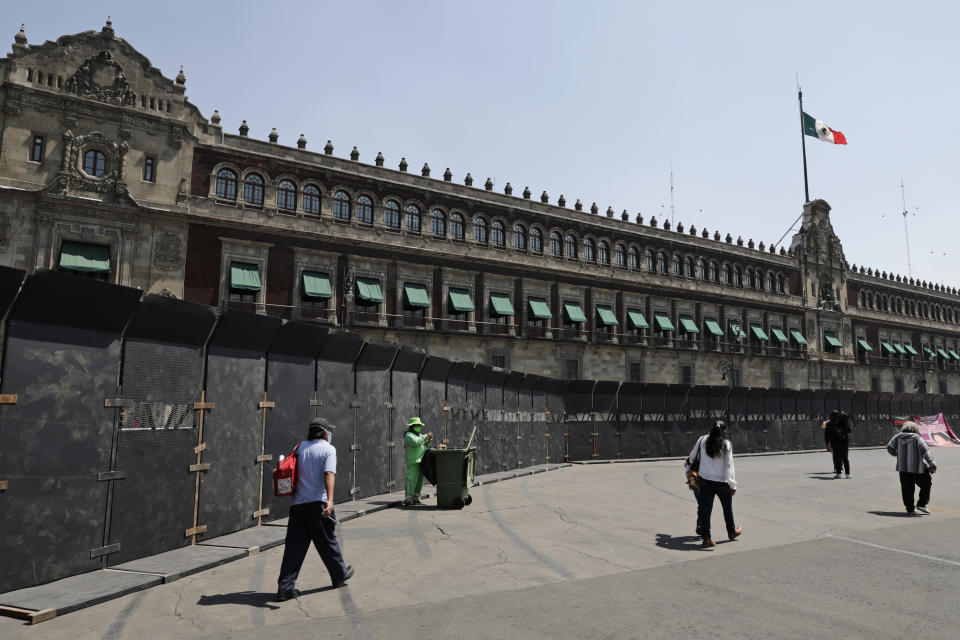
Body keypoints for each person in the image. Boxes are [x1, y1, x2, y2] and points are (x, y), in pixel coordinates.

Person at [276, 417, 354, 601]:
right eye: (330, 431)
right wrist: (331, 501)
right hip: (318, 504)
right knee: (327, 542)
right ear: (325, 432)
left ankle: (285, 589)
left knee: (294, 548)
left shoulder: (300, 447)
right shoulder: (328, 449)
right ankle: (339, 574)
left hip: (298, 505)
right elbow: (329, 473)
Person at [689, 420, 741, 548]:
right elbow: (729, 466)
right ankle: (732, 532)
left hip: (705, 481)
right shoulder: (726, 444)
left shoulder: (702, 440)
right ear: (724, 432)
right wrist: (732, 485)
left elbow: (691, 457)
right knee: (727, 508)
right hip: (722, 483)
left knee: (705, 510)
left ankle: (706, 538)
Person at [886, 421, 937, 515]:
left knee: (907, 489)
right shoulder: (917, 438)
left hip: (903, 468)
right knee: (926, 483)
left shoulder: (897, 437)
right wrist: (932, 465)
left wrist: (897, 454)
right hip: (917, 468)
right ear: (915, 429)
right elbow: (926, 452)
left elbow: (889, 447)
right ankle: (921, 504)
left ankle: (910, 509)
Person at [403, 417, 432, 505]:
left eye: (419, 425)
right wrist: (426, 436)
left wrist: (429, 441)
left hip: (421, 460)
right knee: (411, 480)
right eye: (417, 425)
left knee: (420, 480)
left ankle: (416, 497)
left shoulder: (419, 435)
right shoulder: (408, 435)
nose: (419, 427)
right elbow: (416, 443)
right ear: (412, 426)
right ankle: (408, 499)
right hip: (413, 460)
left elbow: (423, 446)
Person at [823, 410, 852, 478]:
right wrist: (846, 422)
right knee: (845, 458)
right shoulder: (843, 423)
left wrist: (827, 443)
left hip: (835, 443)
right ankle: (847, 474)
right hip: (844, 443)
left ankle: (838, 473)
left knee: (837, 458)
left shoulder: (829, 424)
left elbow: (826, 435)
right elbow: (849, 430)